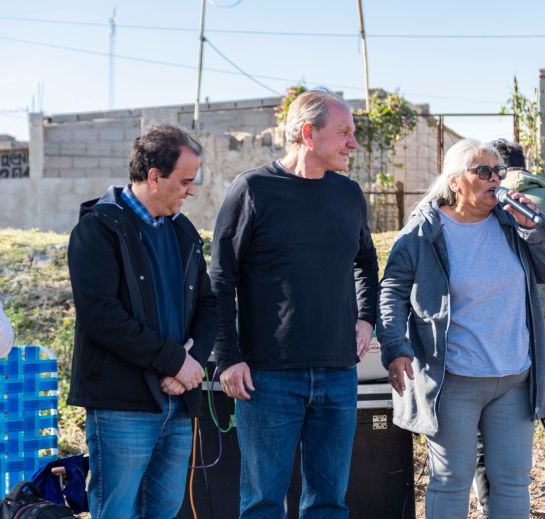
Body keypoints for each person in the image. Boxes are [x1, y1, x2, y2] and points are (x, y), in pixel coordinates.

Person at [210, 89, 379, 518]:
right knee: (264, 503)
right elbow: (220, 278)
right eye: (343, 132)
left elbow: (366, 262)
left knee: (328, 502)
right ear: (308, 133)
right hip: (267, 378)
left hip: (338, 373)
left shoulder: (348, 194)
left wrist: (365, 318)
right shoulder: (252, 190)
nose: (352, 144)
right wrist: (227, 358)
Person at [377, 139, 545, 518]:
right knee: (451, 481)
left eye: (499, 172)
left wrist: (538, 229)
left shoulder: (513, 223)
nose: (495, 178)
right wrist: (396, 346)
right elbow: (392, 291)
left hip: (514, 377)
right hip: (453, 381)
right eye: (483, 172)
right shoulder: (424, 231)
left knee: (512, 481)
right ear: (455, 181)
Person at [67, 123, 218, 518]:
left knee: (164, 510)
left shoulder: (183, 232)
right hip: (122, 405)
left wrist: (193, 362)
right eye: (185, 181)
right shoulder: (98, 229)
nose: (191, 191)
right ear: (154, 176)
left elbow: (209, 305)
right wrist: (174, 361)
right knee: (116, 511)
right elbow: (102, 316)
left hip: (178, 401)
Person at [471, 139, 545, 519]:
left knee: (485, 436)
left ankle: (492, 509)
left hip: (496, 339)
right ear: (526, 163)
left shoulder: (480, 204)